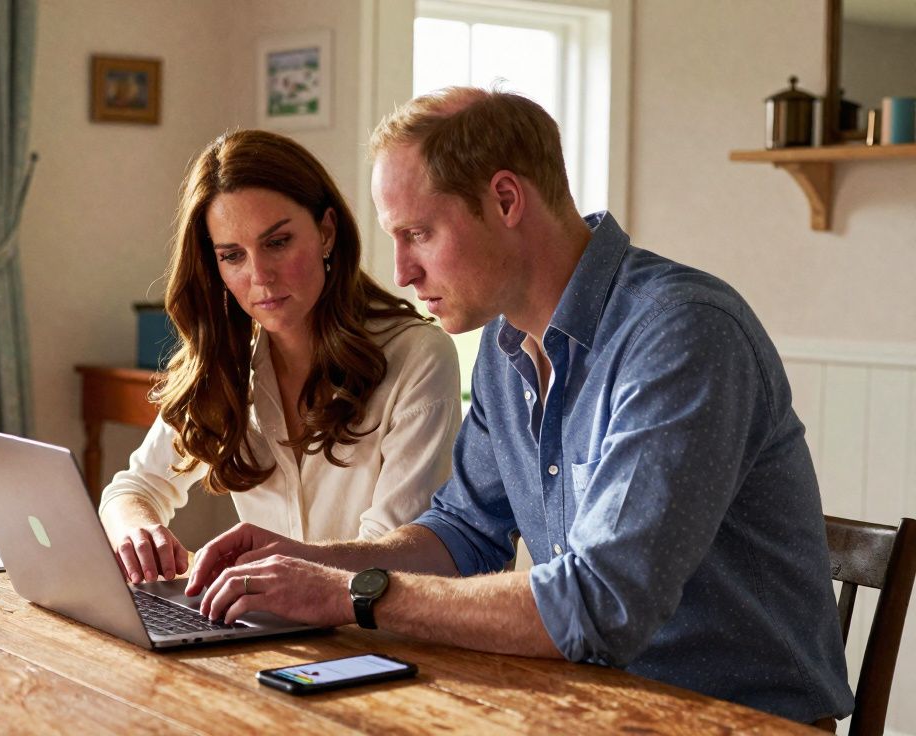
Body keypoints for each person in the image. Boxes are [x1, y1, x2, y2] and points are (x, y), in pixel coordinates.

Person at [184, 88, 853, 726]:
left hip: (734, 721)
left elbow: (600, 604)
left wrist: (348, 596)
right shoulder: (508, 347)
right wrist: (311, 561)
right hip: (588, 706)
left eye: (418, 233)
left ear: (505, 199)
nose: (402, 271)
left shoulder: (682, 333)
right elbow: (462, 534)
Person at [99, 129, 461, 586]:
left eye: (277, 242)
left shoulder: (418, 356)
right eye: (233, 255)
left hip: (370, 623)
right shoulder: (226, 362)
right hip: (262, 618)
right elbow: (133, 488)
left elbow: (395, 555)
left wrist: (282, 570)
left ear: (327, 231)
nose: (260, 276)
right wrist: (138, 530)